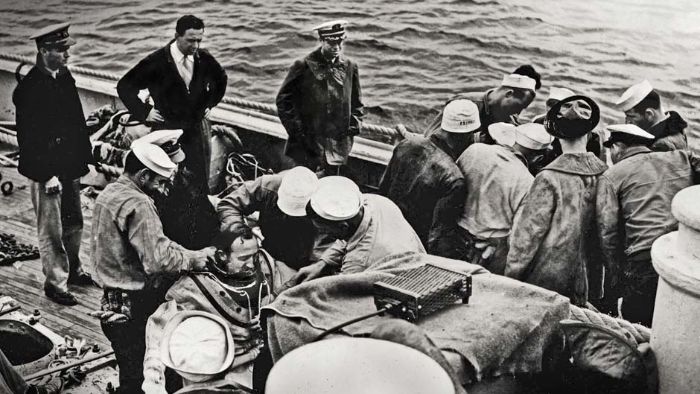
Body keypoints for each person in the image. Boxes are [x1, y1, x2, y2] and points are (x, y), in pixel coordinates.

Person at [91, 142, 217, 394]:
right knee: (146, 378)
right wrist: (195, 258)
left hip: (112, 303)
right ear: (143, 175)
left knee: (129, 373)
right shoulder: (139, 204)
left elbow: (153, 244)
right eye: (159, 181)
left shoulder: (109, 193)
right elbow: (158, 261)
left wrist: (183, 251)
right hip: (136, 309)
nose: (162, 188)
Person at [142, 238, 294, 394]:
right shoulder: (190, 288)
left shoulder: (268, 268)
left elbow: (295, 286)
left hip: (264, 363)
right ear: (222, 255)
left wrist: (273, 307)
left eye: (254, 256)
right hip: (212, 370)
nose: (251, 264)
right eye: (243, 259)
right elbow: (158, 332)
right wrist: (153, 380)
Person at [13, 22, 95, 306]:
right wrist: (46, 174)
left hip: (69, 165)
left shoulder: (64, 76)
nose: (67, 55)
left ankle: (73, 270)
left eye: (66, 49)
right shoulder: (30, 89)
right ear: (44, 51)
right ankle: (56, 283)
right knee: (51, 229)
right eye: (61, 50)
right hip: (46, 170)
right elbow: (29, 138)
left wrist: (84, 159)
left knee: (74, 222)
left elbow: (75, 121)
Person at [504, 96, 608, 307]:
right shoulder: (605, 175)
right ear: (589, 134)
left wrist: (510, 279)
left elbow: (526, 237)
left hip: (547, 280)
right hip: (587, 282)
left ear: (556, 134)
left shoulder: (548, 177)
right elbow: (609, 234)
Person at [596, 124, 700, 326]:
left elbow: (607, 233)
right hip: (680, 251)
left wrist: (615, 275)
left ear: (617, 147)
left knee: (638, 323)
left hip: (642, 260)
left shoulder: (611, 175)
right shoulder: (683, 158)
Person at [117, 14, 228, 193]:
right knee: (167, 177)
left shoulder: (203, 58)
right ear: (177, 36)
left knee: (198, 177)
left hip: (196, 128)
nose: (196, 46)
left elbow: (221, 79)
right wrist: (144, 112)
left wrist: (209, 104)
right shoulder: (155, 62)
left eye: (199, 40)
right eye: (191, 40)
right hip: (166, 127)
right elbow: (124, 86)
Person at [378, 99, 480, 259]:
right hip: (414, 246)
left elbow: (382, 191)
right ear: (468, 135)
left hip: (386, 230)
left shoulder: (405, 145)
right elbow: (438, 236)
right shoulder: (453, 178)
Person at [456, 122, 552, 274]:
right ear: (538, 158)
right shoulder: (528, 182)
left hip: (454, 237)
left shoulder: (475, 150)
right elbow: (518, 234)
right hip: (489, 251)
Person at [291, 176, 425, 283]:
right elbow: (349, 236)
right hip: (418, 263)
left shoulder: (359, 262)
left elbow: (340, 291)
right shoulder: (375, 202)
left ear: (343, 227)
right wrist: (321, 264)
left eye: (326, 231)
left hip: (407, 285)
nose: (325, 235)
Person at [276, 20, 364, 175]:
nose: (337, 47)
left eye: (339, 42)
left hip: (338, 146)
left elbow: (357, 102)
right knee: (304, 183)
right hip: (307, 145)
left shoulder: (350, 66)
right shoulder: (303, 65)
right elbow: (283, 100)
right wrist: (298, 133)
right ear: (322, 40)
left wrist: (352, 127)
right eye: (331, 43)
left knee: (330, 184)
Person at [217, 166, 321, 270]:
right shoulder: (267, 186)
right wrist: (240, 232)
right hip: (269, 245)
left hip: (302, 256)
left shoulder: (326, 204)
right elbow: (229, 205)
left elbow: (325, 247)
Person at [136, 129, 221, 249]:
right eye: (170, 163)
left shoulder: (189, 179)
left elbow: (206, 217)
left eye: (177, 163)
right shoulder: (143, 189)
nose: (175, 169)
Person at [424, 65, 541, 144]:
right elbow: (430, 140)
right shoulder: (464, 104)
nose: (517, 114)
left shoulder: (510, 120)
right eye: (518, 107)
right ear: (509, 94)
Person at [616, 80, 691, 152]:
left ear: (649, 114)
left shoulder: (661, 145)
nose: (627, 122)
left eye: (632, 116)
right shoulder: (674, 127)